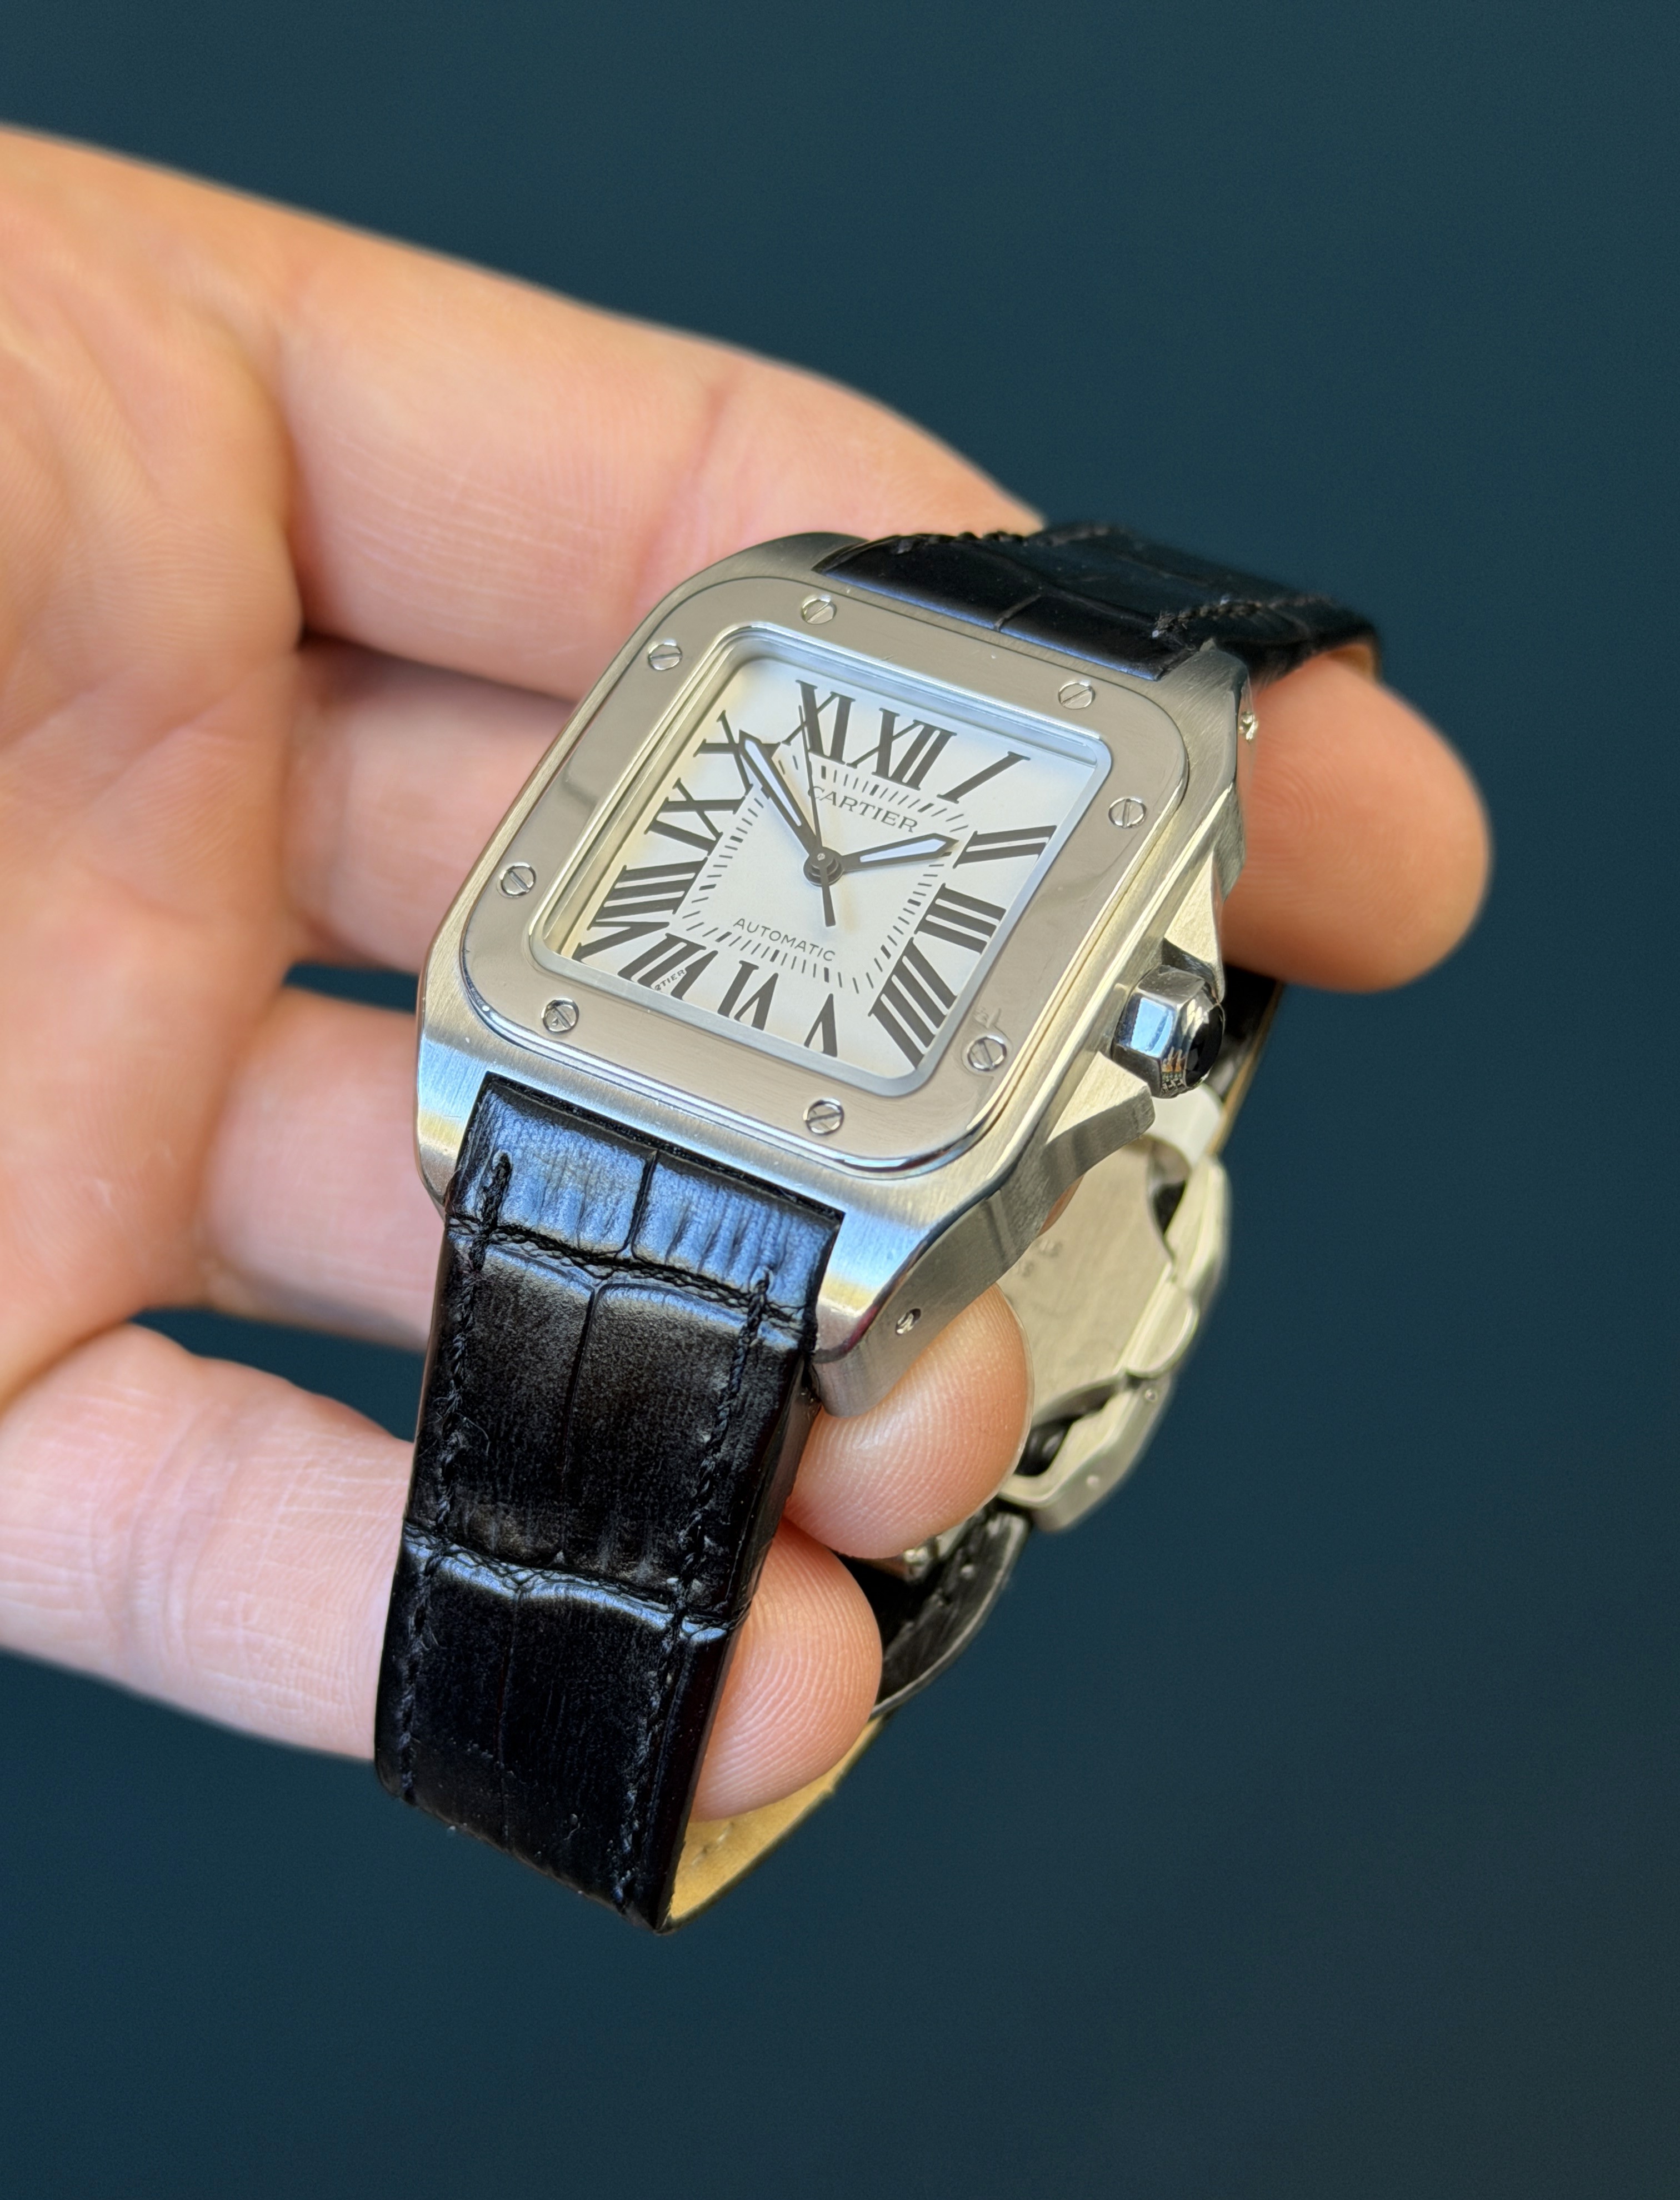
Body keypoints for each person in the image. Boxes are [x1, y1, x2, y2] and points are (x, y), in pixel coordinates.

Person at [0, 132, 1488, 1828]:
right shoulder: (759, 631)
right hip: (557, 1080)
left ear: (1164, 1023)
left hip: (769, 1175)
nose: (833, 877)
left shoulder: (1137, 932)